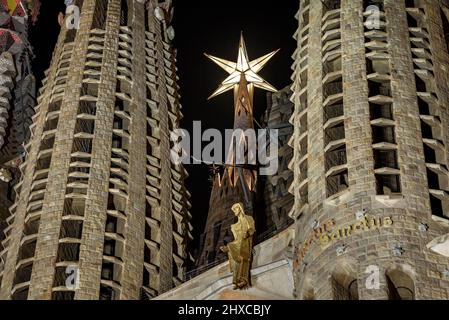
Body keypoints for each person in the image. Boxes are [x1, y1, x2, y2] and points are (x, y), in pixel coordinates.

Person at [220, 202, 255, 290]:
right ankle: (236, 280)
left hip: (246, 240)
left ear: (240, 208)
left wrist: (247, 233)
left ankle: (243, 279)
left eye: (236, 208)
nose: (234, 211)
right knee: (231, 247)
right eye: (234, 210)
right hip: (238, 243)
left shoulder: (248, 218)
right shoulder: (234, 226)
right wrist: (228, 247)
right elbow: (236, 240)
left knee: (242, 255)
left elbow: (252, 229)